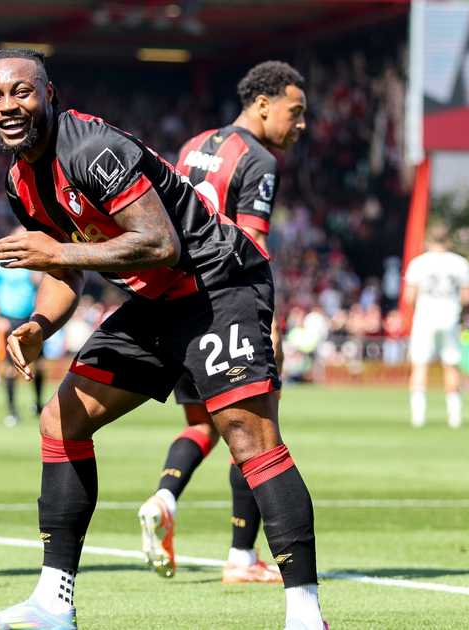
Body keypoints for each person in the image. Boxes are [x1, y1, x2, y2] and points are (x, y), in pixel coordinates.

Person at [0, 49, 324, 630]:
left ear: (49, 95)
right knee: (61, 422)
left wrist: (57, 251)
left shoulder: (91, 148)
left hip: (218, 283)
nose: (8, 106)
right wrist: (40, 325)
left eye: (21, 92)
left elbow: (159, 242)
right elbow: (64, 271)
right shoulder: (19, 181)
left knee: (247, 437)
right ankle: (53, 604)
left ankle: (306, 616)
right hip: (157, 298)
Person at [135, 60, 306, 586]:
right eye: (294, 112)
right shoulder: (259, 159)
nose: (300, 125)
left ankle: (165, 495)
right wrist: (266, 319)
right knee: (258, 429)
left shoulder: (193, 145)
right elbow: (253, 241)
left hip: (181, 303)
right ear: (262, 103)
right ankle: (241, 556)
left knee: (199, 424)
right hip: (230, 306)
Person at [404, 225, 469, 428]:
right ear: (448, 241)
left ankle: (418, 417)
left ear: (428, 241)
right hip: (449, 316)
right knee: (451, 366)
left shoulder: (418, 263)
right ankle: (454, 417)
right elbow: (466, 297)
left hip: (425, 316)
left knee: (420, 365)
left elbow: (410, 296)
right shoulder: (460, 263)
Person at [0, 229, 43, 427]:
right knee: (10, 367)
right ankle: (12, 410)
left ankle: (38, 405)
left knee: (39, 365)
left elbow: (42, 285)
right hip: (8, 318)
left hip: (32, 317)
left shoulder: (33, 259)